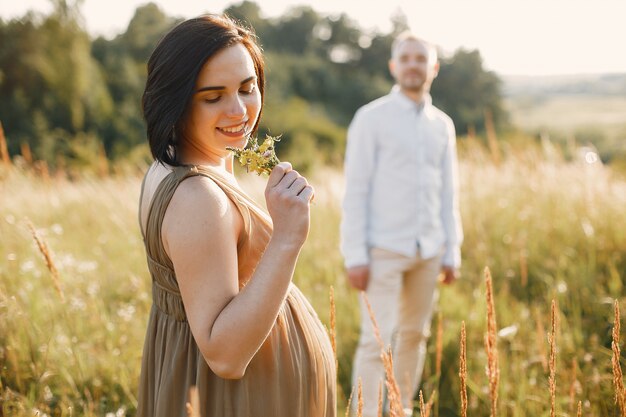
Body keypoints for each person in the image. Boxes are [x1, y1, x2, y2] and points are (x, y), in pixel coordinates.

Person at [136, 15, 336, 417]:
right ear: (175, 102)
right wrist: (287, 237)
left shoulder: (183, 167)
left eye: (248, 89)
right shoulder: (198, 198)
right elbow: (225, 356)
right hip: (235, 401)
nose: (239, 110)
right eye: (213, 97)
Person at [340, 32, 463, 417]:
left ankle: (400, 409)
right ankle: (365, 413)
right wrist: (355, 255)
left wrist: (452, 250)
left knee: (414, 336)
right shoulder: (370, 118)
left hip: (429, 250)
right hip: (382, 251)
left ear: (434, 68)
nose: (413, 65)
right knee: (375, 342)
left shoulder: (442, 125)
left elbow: (448, 193)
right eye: (406, 58)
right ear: (394, 66)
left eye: (421, 59)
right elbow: (355, 190)